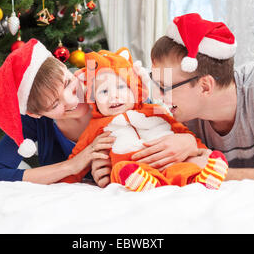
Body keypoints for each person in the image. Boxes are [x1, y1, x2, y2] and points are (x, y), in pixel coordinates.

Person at [91, 13, 254, 186]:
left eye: (165, 87)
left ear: (204, 86)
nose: (157, 94)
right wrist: (108, 168)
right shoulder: (181, 113)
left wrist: (219, 173)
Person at [60, 47, 229, 191]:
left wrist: (202, 151)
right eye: (104, 92)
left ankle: (200, 180)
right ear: (94, 99)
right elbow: (77, 159)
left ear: (135, 89)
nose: (114, 96)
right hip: (134, 170)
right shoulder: (96, 126)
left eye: (121, 87)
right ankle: (148, 183)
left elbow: (182, 132)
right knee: (121, 170)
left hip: (169, 163)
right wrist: (65, 181)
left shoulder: (156, 111)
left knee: (189, 165)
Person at [0, 38, 111, 184]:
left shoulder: (110, 85)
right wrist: (72, 165)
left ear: (63, 65)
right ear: (34, 114)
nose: (72, 101)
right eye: (54, 105)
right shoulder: (34, 121)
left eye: (67, 83)